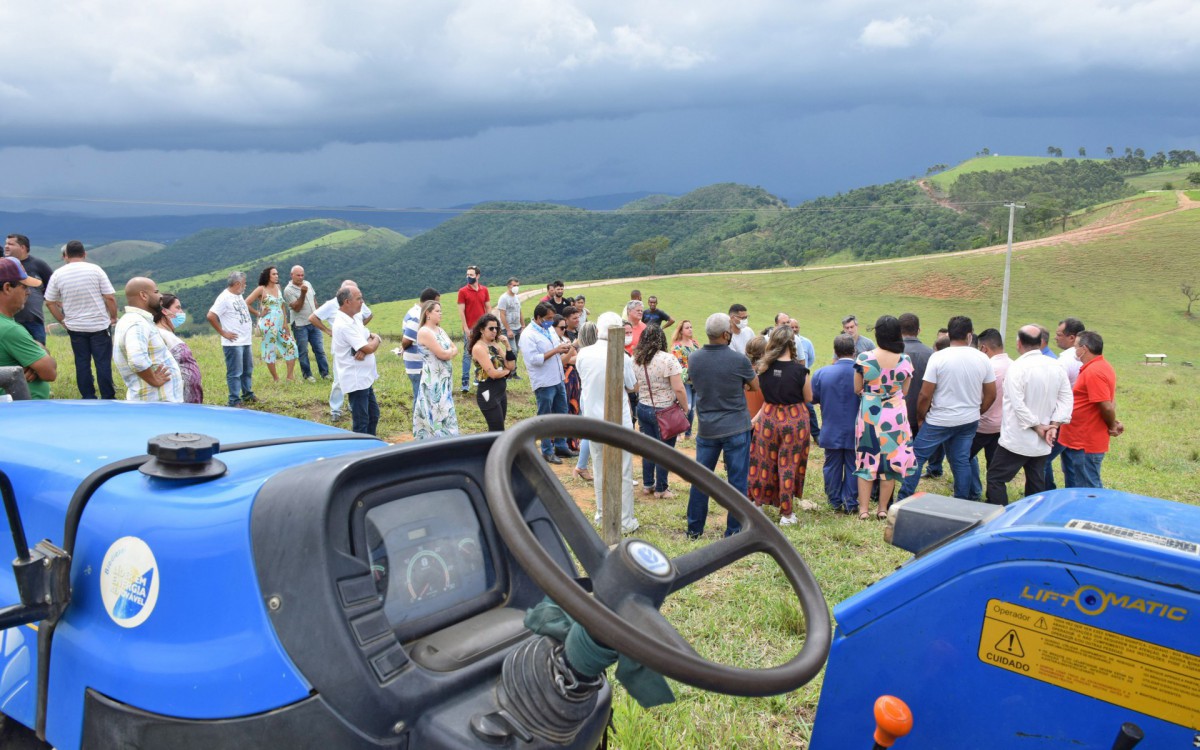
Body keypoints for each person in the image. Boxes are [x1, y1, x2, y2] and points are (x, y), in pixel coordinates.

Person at [898, 316, 997, 501]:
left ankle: (903, 497)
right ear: (970, 335)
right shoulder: (982, 358)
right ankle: (961, 500)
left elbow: (925, 394)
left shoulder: (939, 357)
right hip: (968, 420)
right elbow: (991, 394)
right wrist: (978, 411)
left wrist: (921, 417)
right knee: (961, 461)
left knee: (917, 457)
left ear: (949, 334)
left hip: (939, 419)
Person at [686, 312, 760, 540]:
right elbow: (755, 386)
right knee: (737, 480)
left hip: (707, 427)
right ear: (727, 334)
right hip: (736, 426)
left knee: (701, 480)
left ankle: (694, 530)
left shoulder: (694, 358)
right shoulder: (739, 360)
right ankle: (734, 531)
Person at [985, 325, 1073, 505]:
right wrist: (1053, 425)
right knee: (1035, 480)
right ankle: (1033, 516)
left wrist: (1038, 426)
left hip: (1017, 438)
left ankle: (998, 517)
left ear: (1018, 344)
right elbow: (1066, 399)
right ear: (1041, 342)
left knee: (996, 478)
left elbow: (1018, 404)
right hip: (1044, 438)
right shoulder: (1055, 366)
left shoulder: (1017, 367)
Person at [576, 312, 639, 534]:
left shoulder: (583, 354)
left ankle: (602, 513)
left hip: (592, 421)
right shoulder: (623, 356)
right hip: (619, 422)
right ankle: (624, 520)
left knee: (600, 468)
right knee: (622, 471)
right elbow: (632, 386)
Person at [748, 326, 813, 525]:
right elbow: (808, 398)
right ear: (792, 344)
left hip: (768, 417)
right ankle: (786, 513)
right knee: (788, 465)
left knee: (762, 461)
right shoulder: (800, 371)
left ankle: (757, 503)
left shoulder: (763, 368)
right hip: (793, 419)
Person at [853, 316, 915, 520]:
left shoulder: (864, 358)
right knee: (890, 462)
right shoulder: (904, 360)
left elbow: (856, 388)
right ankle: (882, 509)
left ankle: (863, 510)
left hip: (870, 411)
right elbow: (905, 390)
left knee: (866, 459)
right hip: (895, 414)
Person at [43, 240, 118, 399]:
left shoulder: (58, 274)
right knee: (102, 363)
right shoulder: (95, 270)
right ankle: (108, 397)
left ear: (66, 256)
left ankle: (88, 397)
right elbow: (109, 298)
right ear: (84, 254)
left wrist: (62, 320)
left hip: (75, 327)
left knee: (82, 363)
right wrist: (113, 316)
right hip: (99, 325)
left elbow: (49, 302)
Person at [1058, 331, 1122, 488]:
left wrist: (1112, 424)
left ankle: (1094, 513)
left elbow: (1106, 405)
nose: (1074, 351)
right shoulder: (1099, 367)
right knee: (1081, 485)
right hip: (1081, 438)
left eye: (1075, 347)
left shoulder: (1094, 371)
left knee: (1089, 488)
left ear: (1084, 349)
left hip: (1086, 441)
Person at [632, 324, 689, 498]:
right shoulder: (667, 359)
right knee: (665, 450)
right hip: (664, 409)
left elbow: (635, 386)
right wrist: (685, 408)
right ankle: (661, 488)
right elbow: (679, 388)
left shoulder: (636, 359)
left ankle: (648, 484)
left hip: (643, 407)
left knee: (648, 448)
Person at [519, 302, 574, 462]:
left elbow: (555, 346)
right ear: (538, 317)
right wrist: (556, 351)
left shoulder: (547, 329)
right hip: (544, 382)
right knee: (545, 417)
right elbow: (533, 360)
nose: (551, 321)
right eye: (548, 318)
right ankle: (547, 450)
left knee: (561, 414)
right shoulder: (528, 335)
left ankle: (561, 446)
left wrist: (563, 347)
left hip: (557, 378)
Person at [311, 281, 373, 421]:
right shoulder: (332, 305)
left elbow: (369, 314)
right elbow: (313, 317)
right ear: (345, 296)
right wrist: (327, 330)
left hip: (356, 343)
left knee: (358, 377)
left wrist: (358, 331)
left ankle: (353, 405)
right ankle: (336, 409)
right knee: (340, 379)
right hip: (342, 347)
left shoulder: (356, 308)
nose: (361, 301)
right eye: (357, 297)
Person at [113, 277, 181, 403]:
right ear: (143, 295)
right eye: (156, 292)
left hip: (155, 403)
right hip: (155, 404)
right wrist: (154, 379)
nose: (160, 296)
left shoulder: (134, 320)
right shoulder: (137, 323)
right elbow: (137, 359)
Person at [811, 334, 859, 514]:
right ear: (854, 351)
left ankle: (834, 500)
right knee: (855, 465)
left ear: (835, 352)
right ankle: (850, 502)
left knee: (831, 465)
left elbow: (812, 398)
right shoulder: (862, 372)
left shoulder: (822, 373)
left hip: (831, 428)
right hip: (856, 429)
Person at [0, 257, 56, 399]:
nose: (28, 292)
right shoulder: (10, 329)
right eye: (24, 286)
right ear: (7, 288)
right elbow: (50, 372)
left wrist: (35, 348)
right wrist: (39, 349)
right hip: (23, 411)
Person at [968, 328, 1012, 501]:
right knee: (994, 467)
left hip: (982, 424)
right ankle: (995, 499)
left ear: (984, 348)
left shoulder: (987, 367)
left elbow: (979, 395)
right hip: (1003, 425)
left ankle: (971, 493)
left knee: (963, 458)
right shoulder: (1014, 364)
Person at [332, 286, 382, 435]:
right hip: (356, 378)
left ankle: (371, 448)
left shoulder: (355, 317)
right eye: (359, 298)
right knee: (361, 421)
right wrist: (377, 339)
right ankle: (362, 452)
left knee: (373, 415)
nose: (362, 301)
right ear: (347, 302)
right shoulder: (343, 324)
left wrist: (370, 341)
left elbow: (367, 336)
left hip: (365, 376)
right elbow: (369, 348)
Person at [1044, 316, 1086, 490]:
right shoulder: (1084, 358)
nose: (1056, 337)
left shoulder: (1064, 361)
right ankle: (1073, 495)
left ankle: (1047, 493)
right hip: (1078, 418)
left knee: (1042, 459)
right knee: (1071, 462)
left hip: (1062, 418)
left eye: (1059, 334)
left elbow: (1055, 392)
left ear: (1072, 337)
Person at [206, 272, 256, 407]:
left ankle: (248, 394)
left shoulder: (238, 295)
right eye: (244, 283)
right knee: (235, 372)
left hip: (245, 341)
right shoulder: (224, 298)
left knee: (247, 370)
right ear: (238, 284)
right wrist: (223, 332)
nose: (245, 286)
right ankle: (234, 400)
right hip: (234, 343)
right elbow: (211, 315)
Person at [413, 300, 460, 440]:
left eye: (441, 311)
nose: (441, 314)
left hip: (444, 378)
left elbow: (455, 348)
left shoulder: (440, 330)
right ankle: (438, 439)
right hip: (433, 379)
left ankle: (447, 438)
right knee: (437, 408)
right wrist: (449, 352)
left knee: (445, 408)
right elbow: (443, 354)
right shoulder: (425, 332)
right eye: (437, 311)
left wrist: (449, 352)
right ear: (428, 313)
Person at [899, 313, 937, 478]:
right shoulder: (932, 354)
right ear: (919, 330)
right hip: (923, 413)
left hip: (897, 413)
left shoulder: (894, 354)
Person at [245, 265, 298, 382]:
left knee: (291, 346)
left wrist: (285, 323)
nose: (276, 276)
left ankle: (290, 377)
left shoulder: (278, 287)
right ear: (267, 276)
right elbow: (246, 303)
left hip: (280, 324)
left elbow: (282, 305)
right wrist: (258, 313)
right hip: (268, 324)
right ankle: (276, 378)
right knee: (270, 350)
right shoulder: (261, 289)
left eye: (277, 274)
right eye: (274, 274)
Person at [154, 293, 204, 404]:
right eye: (177, 308)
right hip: (176, 397)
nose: (181, 312)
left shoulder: (167, 333)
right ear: (165, 311)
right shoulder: (158, 335)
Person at [470, 313, 516, 431]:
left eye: (496, 328)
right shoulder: (479, 348)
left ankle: (495, 449)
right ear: (481, 330)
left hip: (500, 392)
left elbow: (511, 365)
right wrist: (506, 372)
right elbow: (493, 374)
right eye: (491, 328)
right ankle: (490, 450)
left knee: (499, 429)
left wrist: (507, 346)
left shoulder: (494, 345)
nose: (495, 331)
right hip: (488, 393)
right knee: (497, 430)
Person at [4, 234, 53, 344]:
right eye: (6, 243)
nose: (6, 246)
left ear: (23, 248)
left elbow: (52, 287)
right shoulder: (4, 266)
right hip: (10, 321)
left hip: (34, 320)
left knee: (39, 353)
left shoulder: (38, 264)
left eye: (11, 244)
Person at [283, 265, 328, 383]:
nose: (300, 277)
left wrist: (318, 315)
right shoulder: (288, 290)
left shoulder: (307, 283)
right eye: (298, 275)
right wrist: (302, 293)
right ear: (291, 275)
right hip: (300, 325)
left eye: (302, 275)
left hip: (313, 322)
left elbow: (314, 300)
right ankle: (307, 375)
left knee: (319, 349)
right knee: (303, 351)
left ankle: (325, 373)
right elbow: (297, 308)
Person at [401, 287, 440, 399]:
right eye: (436, 303)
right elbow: (406, 341)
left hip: (420, 365)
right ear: (429, 303)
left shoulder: (416, 312)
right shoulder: (417, 316)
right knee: (420, 399)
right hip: (417, 366)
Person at [572, 322, 599, 482]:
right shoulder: (590, 353)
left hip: (586, 394)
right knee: (591, 431)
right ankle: (581, 466)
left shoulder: (582, 353)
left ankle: (581, 465)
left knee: (590, 430)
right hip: (591, 395)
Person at [457, 265, 491, 393]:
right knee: (467, 354)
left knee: (482, 352)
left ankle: (479, 377)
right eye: (467, 275)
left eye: (471, 275)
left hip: (482, 328)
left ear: (477, 276)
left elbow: (488, 307)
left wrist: (488, 323)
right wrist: (466, 328)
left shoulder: (484, 290)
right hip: (470, 328)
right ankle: (465, 382)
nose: (468, 277)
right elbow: (461, 311)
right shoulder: (463, 291)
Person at [671, 320, 700, 438]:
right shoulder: (677, 346)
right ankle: (677, 432)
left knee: (693, 408)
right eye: (687, 327)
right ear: (681, 331)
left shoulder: (695, 343)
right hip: (685, 381)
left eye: (691, 327)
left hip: (697, 381)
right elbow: (677, 364)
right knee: (685, 407)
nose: (690, 329)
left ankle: (688, 433)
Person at [495, 277, 523, 377]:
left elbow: (520, 312)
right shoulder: (503, 298)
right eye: (514, 285)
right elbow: (502, 315)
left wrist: (523, 326)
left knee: (517, 350)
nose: (516, 287)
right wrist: (508, 330)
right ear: (509, 286)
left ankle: (513, 372)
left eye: (517, 285)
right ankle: (509, 371)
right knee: (512, 350)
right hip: (509, 329)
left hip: (518, 327)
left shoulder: (517, 297)